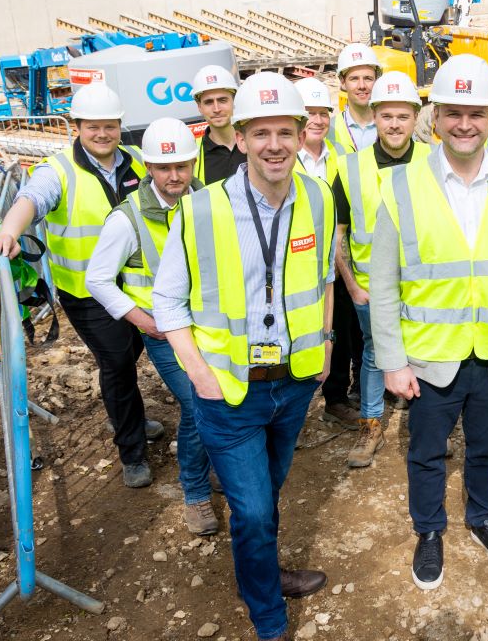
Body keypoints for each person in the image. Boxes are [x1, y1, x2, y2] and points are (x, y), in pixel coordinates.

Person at [152, 71, 335, 641]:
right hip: (229, 391)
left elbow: (324, 276)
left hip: (295, 381)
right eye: (262, 133)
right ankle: (269, 618)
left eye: (285, 131)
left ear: (301, 133)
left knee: (267, 496)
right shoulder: (201, 210)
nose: (274, 144)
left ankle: (262, 571)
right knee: (253, 511)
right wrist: (199, 371)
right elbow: (166, 300)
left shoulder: (319, 197)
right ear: (243, 138)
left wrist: (325, 347)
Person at [370, 53, 488, 591]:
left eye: (476, 113)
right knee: (425, 451)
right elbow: (382, 284)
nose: (464, 124)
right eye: (453, 113)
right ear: (436, 117)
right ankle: (429, 531)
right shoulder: (401, 185)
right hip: (429, 358)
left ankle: (483, 517)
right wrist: (392, 362)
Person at [0, 83, 158, 488]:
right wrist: (9, 231)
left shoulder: (135, 161)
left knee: (129, 357)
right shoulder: (57, 170)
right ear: (76, 126)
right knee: (116, 364)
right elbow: (31, 199)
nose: (102, 134)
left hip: (136, 287)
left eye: (110, 126)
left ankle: (129, 414)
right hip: (88, 294)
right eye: (93, 126)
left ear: (119, 126)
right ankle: (132, 450)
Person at [86, 117, 218, 535]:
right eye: (164, 168)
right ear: (148, 168)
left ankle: (215, 468)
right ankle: (196, 494)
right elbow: (97, 279)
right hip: (166, 334)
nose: (174, 175)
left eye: (182, 165)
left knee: (223, 400)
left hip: (211, 327)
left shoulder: (210, 201)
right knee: (199, 404)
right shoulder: (127, 220)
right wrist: (144, 321)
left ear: (194, 162)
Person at [333, 70, 431, 468]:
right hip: (371, 289)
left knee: (426, 353)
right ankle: (371, 423)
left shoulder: (433, 161)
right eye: (386, 115)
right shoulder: (349, 167)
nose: (394, 124)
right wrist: (354, 288)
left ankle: (425, 428)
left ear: (415, 118)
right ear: (374, 116)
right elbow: (339, 235)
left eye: (403, 116)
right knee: (375, 354)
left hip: (424, 287)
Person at [322, 44, 383, 429]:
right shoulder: (328, 129)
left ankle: (368, 389)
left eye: (368, 77)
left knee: (374, 326)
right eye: (354, 78)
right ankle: (336, 398)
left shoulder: (389, 122)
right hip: (341, 234)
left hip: (377, 241)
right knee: (342, 323)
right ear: (342, 83)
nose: (362, 85)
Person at [191, 64, 247, 184]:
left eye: (222, 100)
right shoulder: (192, 154)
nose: (216, 109)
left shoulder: (254, 143)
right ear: (200, 107)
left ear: (234, 101)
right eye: (209, 102)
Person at [294, 77, 344, 183]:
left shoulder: (344, 152)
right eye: (310, 113)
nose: (318, 121)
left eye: (323, 113)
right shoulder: (281, 159)